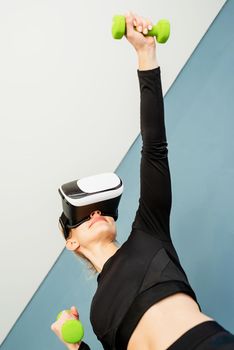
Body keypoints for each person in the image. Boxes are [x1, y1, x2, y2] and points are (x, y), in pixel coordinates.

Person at [51, 11, 234, 350]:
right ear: (71, 242)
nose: (96, 213)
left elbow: (154, 149)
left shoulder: (148, 231)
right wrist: (75, 347)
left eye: (100, 208)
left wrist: (145, 55)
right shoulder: (96, 315)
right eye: (83, 213)